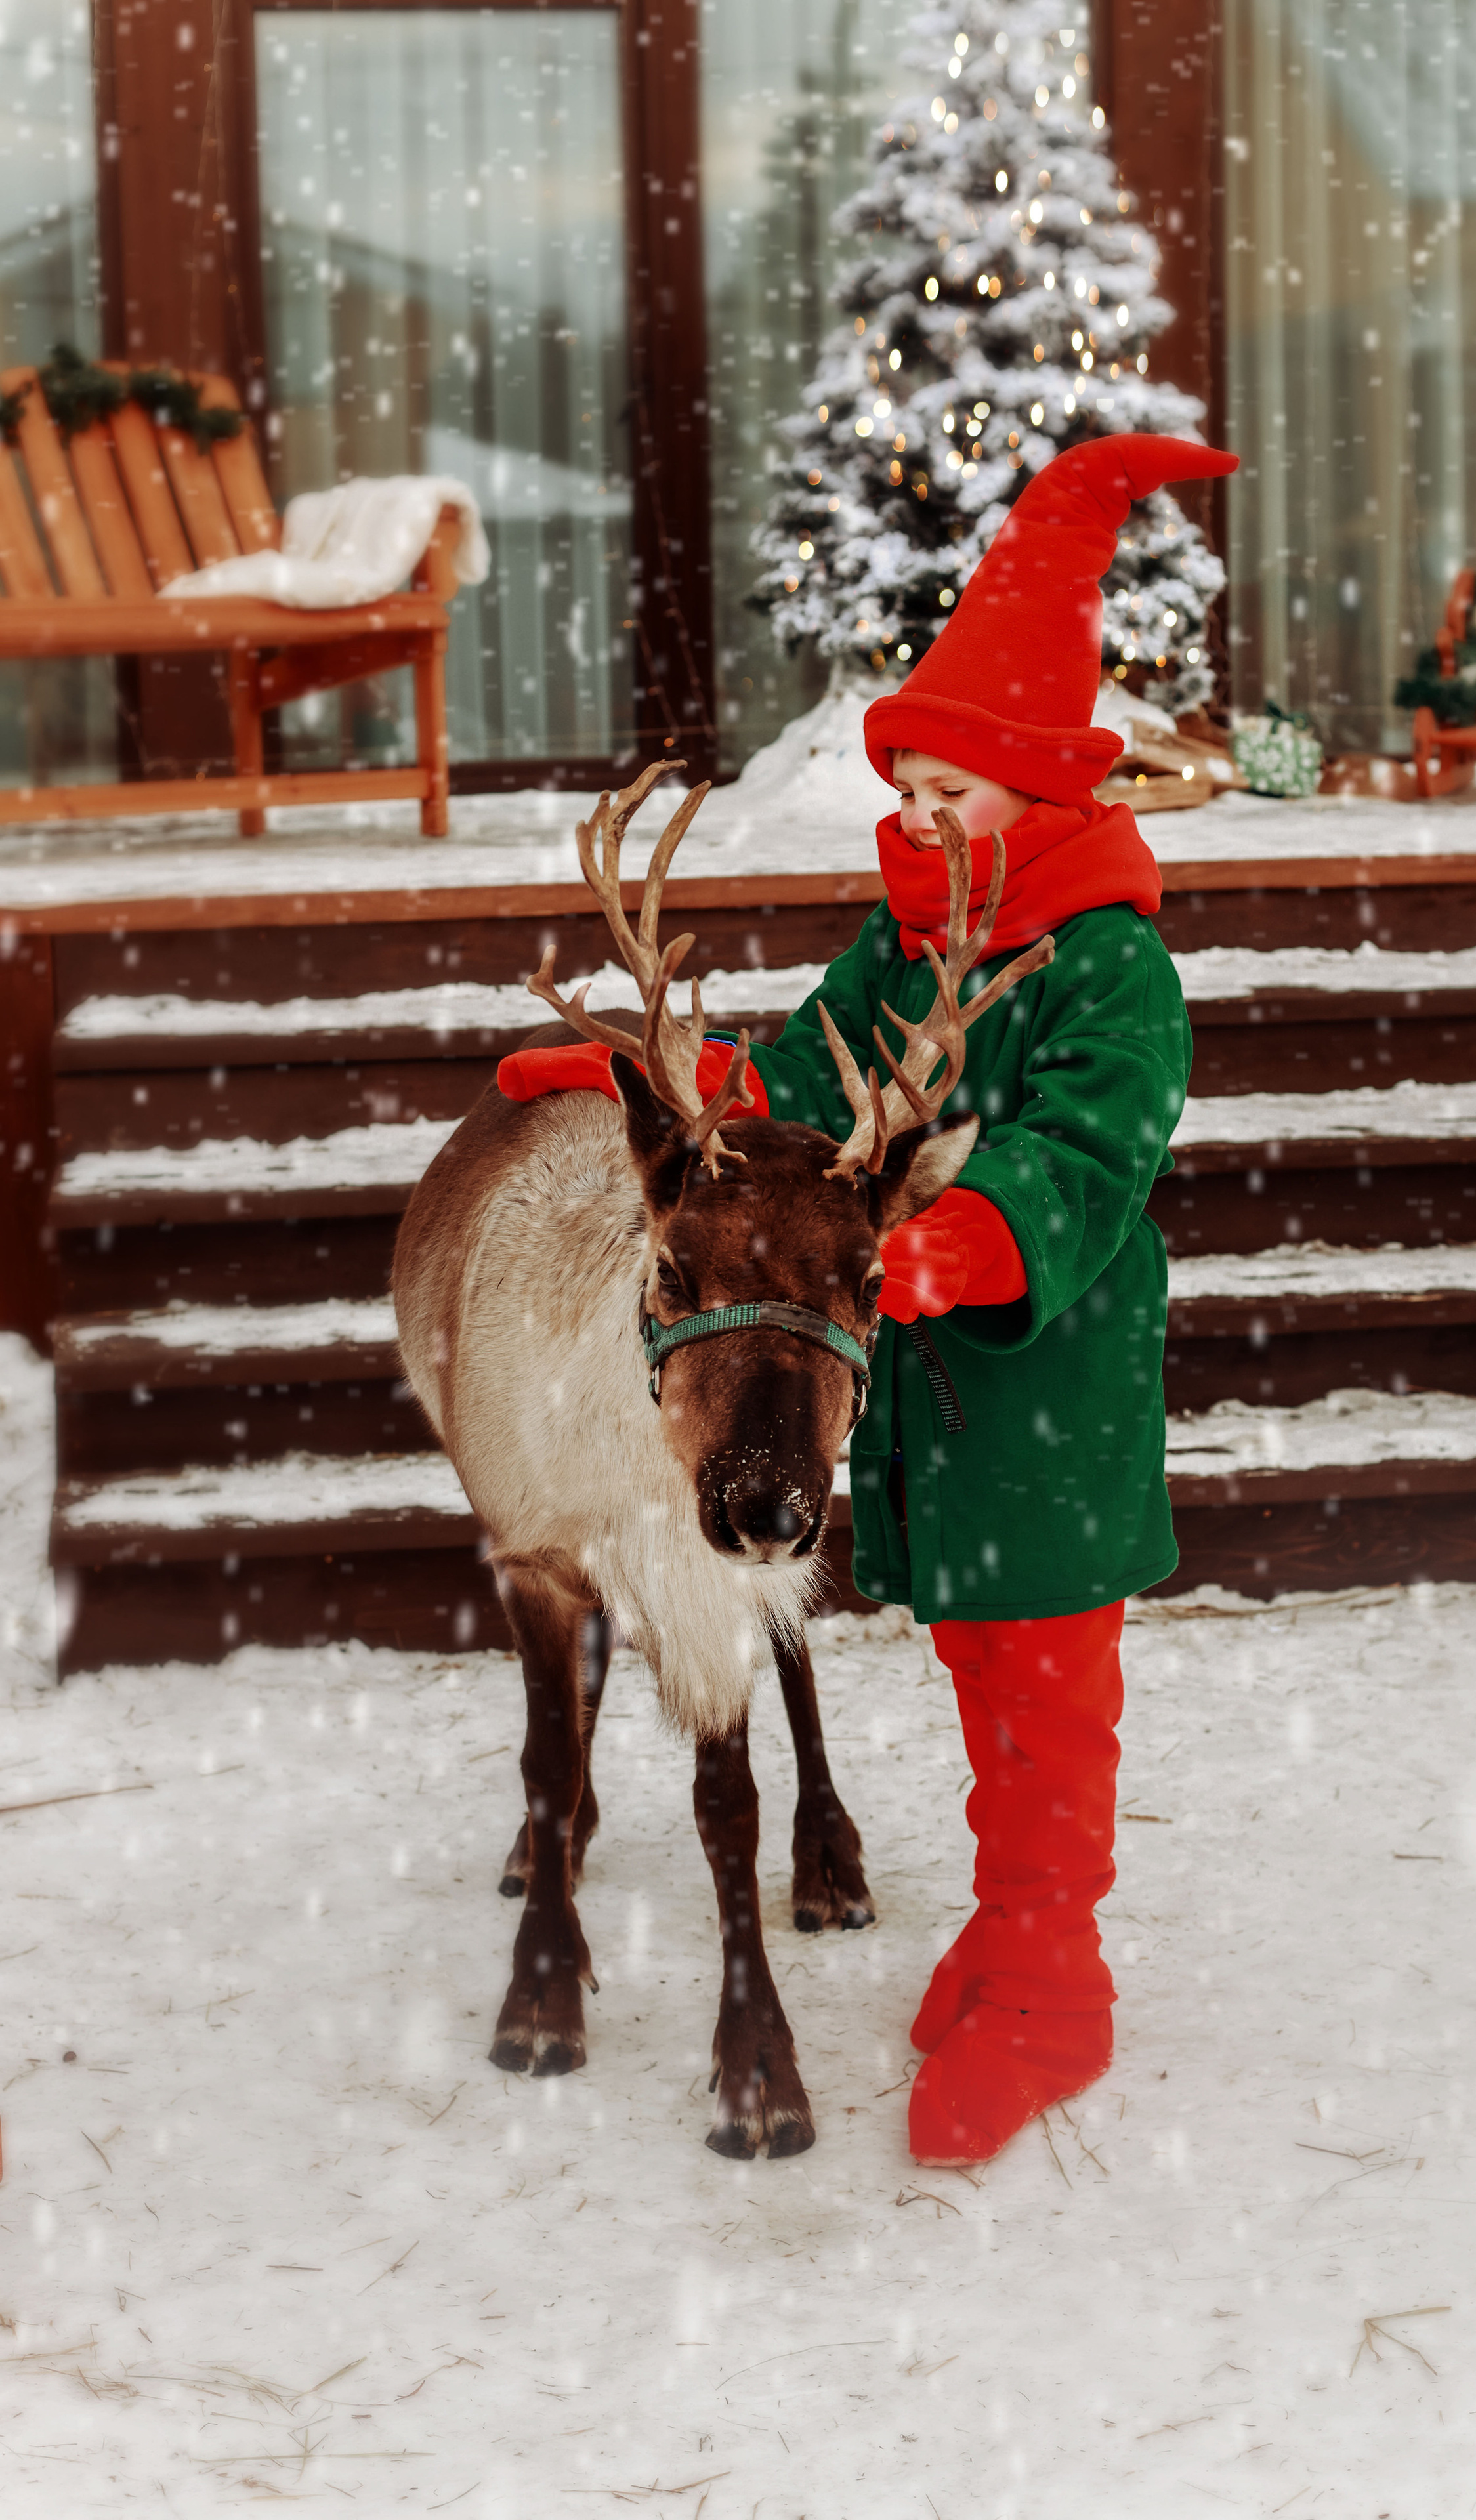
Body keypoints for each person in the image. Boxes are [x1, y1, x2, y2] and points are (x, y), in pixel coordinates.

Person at [501, 431, 1236, 2166]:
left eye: (950, 802)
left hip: (1047, 1396)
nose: (916, 826)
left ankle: (1057, 1979)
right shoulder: (908, 951)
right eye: (903, 800)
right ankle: (1008, 1920)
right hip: (925, 1410)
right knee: (982, 1667)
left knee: (1049, 1681)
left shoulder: (1115, 969)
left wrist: (951, 1245)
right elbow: (806, 1089)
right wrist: (658, 1082)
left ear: (1043, 801)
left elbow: (1077, 1159)